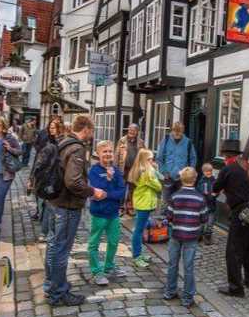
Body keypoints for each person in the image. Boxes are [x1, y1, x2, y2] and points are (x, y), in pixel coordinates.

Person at [45, 115, 106, 306]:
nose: (92, 134)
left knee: (53, 245)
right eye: (92, 130)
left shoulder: (63, 142)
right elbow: (73, 181)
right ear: (86, 129)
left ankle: (51, 284)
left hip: (54, 201)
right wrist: (92, 191)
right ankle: (59, 293)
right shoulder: (77, 148)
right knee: (61, 249)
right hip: (67, 205)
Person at [212, 139, 249, 298]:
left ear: (225, 155)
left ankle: (235, 287)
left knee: (234, 250)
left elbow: (215, 188)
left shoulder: (228, 169)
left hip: (242, 212)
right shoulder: (247, 165)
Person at [164, 167, 207, 308]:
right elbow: (204, 218)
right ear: (195, 179)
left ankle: (170, 291)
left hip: (176, 234)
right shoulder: (200, 198)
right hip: (192, 236)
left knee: (172, 264)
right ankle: (187, 297)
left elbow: (169, 216)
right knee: (188, 266)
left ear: (181, 179)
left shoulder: (175, 196)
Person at [87, 140, 127, 285]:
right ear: (98, 154)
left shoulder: (116, 170)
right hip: (99, 213)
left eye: (110, 151)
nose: (108, 154)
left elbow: (121, 191)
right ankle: (96, 272)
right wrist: (109, 180)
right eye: (105, 151)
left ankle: (109, 266)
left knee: (114, 241)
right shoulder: (94, 171)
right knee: (94, 243)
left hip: (113, 213)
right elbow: (97, 191)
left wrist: (108, 194)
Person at [29, 118, 64, 243]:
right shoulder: (48, 141)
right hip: (46, 178)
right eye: (50, 127)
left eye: (54, 127)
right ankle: (46, 232)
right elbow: (39, 160)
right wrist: (32, 177)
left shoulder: (62, 142)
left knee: (49, 206)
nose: (51, 130)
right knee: (45, 205)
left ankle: (47, 232)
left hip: (56, 178)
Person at [128, 148, 162, 268]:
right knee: (138, 231)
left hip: (143, 203)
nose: (152, 161)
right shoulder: (146, 174)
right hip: (144, 205)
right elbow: (158, 186)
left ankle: (139, 253)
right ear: (144, 160)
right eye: (150, 159)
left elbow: (160, 177)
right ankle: (136, 256)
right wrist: (155, 171)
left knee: (140, 230)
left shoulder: (144, 170)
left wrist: (155, 170)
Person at [156, 122, 197, 210]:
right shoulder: (166, 140)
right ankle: (165, 216)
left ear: (182, 131)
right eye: (175, 131)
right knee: (166, 203)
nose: (177, 134)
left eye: (179, 132)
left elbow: (193, 159)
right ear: (172, 130)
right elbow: (159, 158)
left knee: (181, 202)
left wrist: (189, 173)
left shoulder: (188, 142)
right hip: (167, 176)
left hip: (182, 177)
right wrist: (164, 171)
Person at [114, 123, 146, 216]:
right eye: (130, 129)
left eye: (134, 130)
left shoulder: (140, 142)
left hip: (134, 169)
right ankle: (120, 208)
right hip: (123, 168)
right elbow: (116, 155)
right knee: (122, 188)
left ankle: (130, 207)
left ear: (137, 132)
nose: (131, 131)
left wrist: (144, 167)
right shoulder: (122, 140)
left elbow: (144, 155)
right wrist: (115, 168)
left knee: (132, 189)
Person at [197, 163, 217, 245]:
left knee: (210, 223)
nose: (209, 173)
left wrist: (216, 194)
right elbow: (199, 191)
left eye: (210, 171)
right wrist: (203, 193)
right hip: (203, 206)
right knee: (201, 222)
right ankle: (199, 236)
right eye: (207, 171)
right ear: (203, 172)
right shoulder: (201, 181)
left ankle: (208, 237)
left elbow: (217, 190)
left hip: (212, 206)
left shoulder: (214, 180)